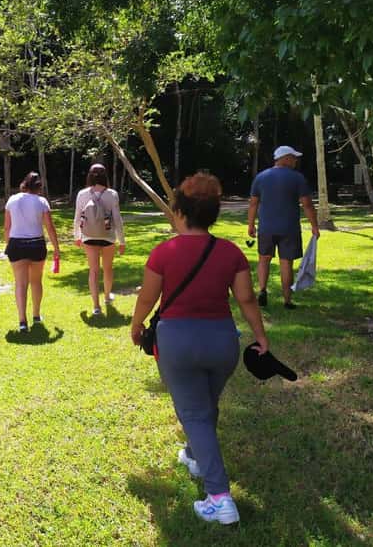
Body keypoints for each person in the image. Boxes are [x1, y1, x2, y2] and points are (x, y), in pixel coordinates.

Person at [131, 172, 270, 525]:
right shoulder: (231, 252)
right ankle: (194, 454)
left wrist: (136, 326)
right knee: (205, 406)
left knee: (194, 413)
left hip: (178, 342)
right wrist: (260, 335)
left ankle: (219, 498)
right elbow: (246, 299)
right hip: (223, 343)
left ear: (179, 211)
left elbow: (148, 298)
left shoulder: (164, 252)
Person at [247, 145, 320, 309]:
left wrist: (251, 225)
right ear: (285, 158)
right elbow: (307, 205)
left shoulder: (261, 177)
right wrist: (314, 226)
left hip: (266, 228)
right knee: (286, 263)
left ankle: (262, 291)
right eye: (293, 157)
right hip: (289, 228)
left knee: (263, 259)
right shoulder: (297, 178)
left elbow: (253, 204)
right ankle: (287, 300)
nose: (295, 161)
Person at [4, 172, 60, 332]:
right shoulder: (41, 201)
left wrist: (9, 244)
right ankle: (36, 314)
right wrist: (56, 248)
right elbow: (49, 227)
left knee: (20, 284)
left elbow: (7, 227)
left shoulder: (12, 200)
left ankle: (22, 321)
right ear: (39, 186)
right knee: (36, 281)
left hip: (16, 244)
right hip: (36, 244)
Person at [73, 163, 125, 316]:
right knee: (108, 269)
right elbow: (117, 219)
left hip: (89, 237)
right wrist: (121, 241)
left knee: (93, 271)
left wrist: (77, 236)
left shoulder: (82, 194)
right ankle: (107, 296)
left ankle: (96, 306)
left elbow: (77, 217)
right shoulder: (112, 194)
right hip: (108, 237)